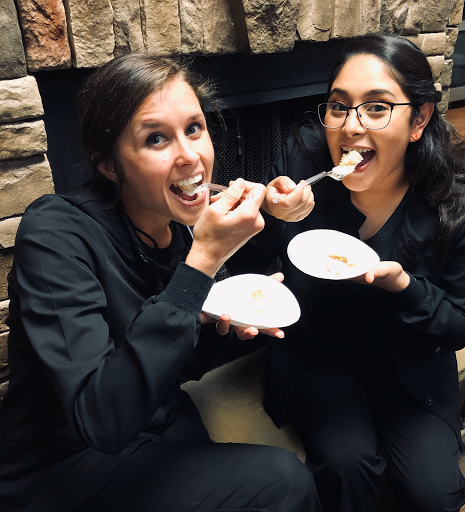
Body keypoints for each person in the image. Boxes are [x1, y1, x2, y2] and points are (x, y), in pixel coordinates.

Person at [0, 54, 321, 512]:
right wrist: (202, 264)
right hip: (68, 463)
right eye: (156, 138)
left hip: (159, 421)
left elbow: (179, 365)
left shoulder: (179, 229)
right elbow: (101, 418)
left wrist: (219, 322)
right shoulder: (54, 234)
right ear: (109, 165)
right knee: (285, 481)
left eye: (194, 128)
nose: (190, 156)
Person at [227, 33, 465, 512]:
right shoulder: (303, 161)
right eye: (339, 106)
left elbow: (460, 326)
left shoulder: (460, 207)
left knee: (433, 494)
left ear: (419, 119)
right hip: (320, 352)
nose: (351, 127)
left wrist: (405, 287)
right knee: (345, 466)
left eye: (376, 108)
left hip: (409, 364)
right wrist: (268, 219)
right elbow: (248, 269)